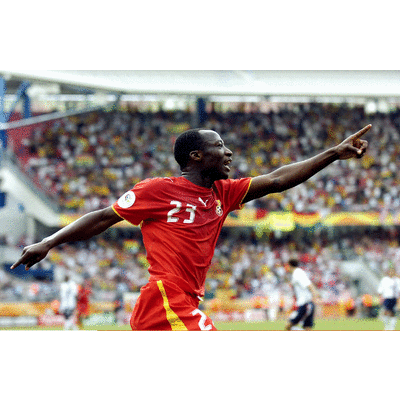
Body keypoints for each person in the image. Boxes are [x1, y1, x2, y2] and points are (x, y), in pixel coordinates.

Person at [11, 125, 370, 330]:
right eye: (219, 146)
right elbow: (105, 216)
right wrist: (48, 241)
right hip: (165, 299)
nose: (228, 153)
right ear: (196, 156)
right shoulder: (158, 190)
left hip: (179, 303)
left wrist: (333, 154)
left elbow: (277, 180)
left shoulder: (224, 193)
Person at [285, 258, 320, 331]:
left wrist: (315, 297)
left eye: (286, 265)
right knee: (307, 327)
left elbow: (309, 285)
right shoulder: (296, 273)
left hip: (305, 304)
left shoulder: (298, 273)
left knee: (288, 326)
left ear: (289, 265)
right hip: (306, 303)